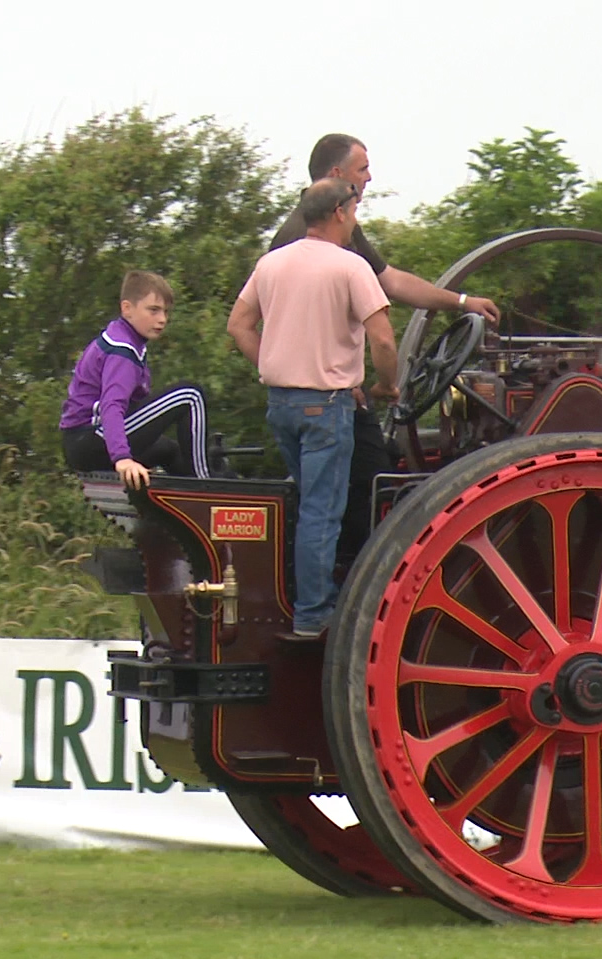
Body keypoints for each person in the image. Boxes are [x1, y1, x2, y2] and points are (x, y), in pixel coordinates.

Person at [270, 133, 501, 561]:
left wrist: (462, 301)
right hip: (328, 400)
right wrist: (359, 383)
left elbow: (390, 280)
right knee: (366, 489)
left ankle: (347, 578)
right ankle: (365, 582)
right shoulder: (314, 239)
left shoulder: (329, 230)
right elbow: (378, 333)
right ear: (338, 176)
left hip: (318, 395)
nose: (369, 177)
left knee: (355, 487)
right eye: (362, 169)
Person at [227, 179, 398, 640]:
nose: (355, 218)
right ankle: (314, 614)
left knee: (309, 506)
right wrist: (386, 384)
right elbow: (383, 339)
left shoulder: (271, 264)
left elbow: (239, 325)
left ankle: (315, 596)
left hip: (281, 405)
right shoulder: (351, 266)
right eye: (354, 210)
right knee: (322, 513)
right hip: (326, 408)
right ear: (340, 212)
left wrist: (275, 363)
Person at [59, 271, 211, 488]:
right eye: (153, 310)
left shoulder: (126, 339)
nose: (162, 319)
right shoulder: (122, 350)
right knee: (190, 395)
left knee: (168, 450)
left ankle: (189, 492)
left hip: (81, 442)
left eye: (166, 312)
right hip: (90, 439)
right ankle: (206, 485)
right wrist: (122, 458)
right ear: (127, 308)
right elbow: (112, 405)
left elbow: (139, 403)